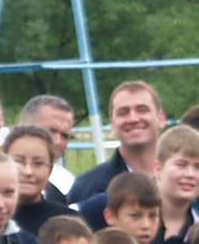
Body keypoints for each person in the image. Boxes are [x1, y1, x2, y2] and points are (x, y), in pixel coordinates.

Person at [66, 79, 164, 215]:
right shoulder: (87, 187)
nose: (133, 118)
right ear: (112, 124)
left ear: (161, 118)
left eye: (142, 110)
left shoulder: (185, 181)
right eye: (123, 112)